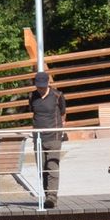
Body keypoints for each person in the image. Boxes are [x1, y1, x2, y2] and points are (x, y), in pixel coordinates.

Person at [28, 70, 67, 210]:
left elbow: (63, 113)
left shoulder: (58, 95)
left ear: (48, 83)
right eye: (38, 86)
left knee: (52, 166)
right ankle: (47, 196)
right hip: (38, 137)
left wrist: (61, 130)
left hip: (54, 136)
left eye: (43, 86)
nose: (41, 88)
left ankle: (52, 197)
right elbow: (33, 112)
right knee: (41, 168)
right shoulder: (32, 96)